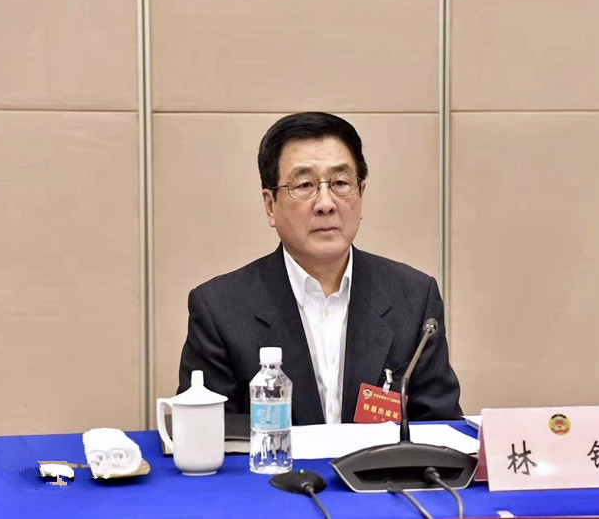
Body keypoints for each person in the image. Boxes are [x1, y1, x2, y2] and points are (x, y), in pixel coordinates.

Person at [177, 112, 462, 424]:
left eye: (340, 183)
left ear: (361, 195)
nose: (326, 203)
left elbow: (440, 428)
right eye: (304, 185)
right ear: (271, 206)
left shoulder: (414, 298)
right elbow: (207, 435)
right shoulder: (219, 309)